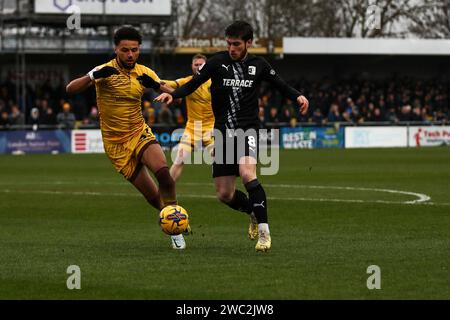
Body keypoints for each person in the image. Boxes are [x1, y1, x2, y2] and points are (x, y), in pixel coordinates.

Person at [155, 21, 309, 252]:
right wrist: (174, 95)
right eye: (228, 43)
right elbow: (194, 83)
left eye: (236, 44)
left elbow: (280, 84)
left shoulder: (259, 64)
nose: (231, 48)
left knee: (248, 174)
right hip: (223, 134)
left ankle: (265, 233)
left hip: (248, 130)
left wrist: (298, 96)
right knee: (224, 194)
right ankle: (252, 213)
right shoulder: (217, 62)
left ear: (249, 42)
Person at [66, 26, 188, 250]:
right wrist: (93, 76)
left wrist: (160, 89)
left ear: (139, 50)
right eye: (125, 50)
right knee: (152, 196)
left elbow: (176, 98)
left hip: (138, 132)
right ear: (116, 49)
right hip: (115, 145)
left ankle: (176, 224)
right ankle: (171, 218)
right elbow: (70, 89)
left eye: (134, 50)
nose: (130, 55)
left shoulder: (144, 72)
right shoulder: (104, 71)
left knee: (164, 175)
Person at [161, 53, 215, 182]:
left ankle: (225, 190)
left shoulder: (215, 82)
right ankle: (165, 191)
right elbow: (170, 83)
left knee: (218, 159)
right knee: (179, 159)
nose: (198, 67)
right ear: (191, 66)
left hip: (212, 127)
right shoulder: (187, 81)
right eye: (196, 64)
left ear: (206, 66)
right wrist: (154, 81)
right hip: (193, 128)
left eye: (201, 64)